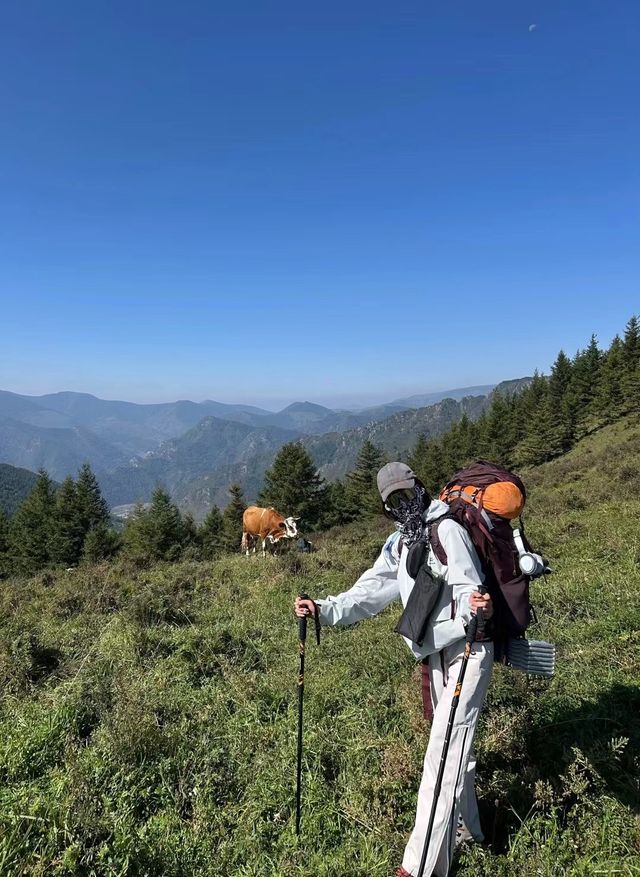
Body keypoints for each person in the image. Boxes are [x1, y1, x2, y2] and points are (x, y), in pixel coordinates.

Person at [294, 462, 494, 877]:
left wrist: (477, 609)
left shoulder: (447, 530)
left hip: (468, 652)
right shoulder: (400, 542)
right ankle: (472, 830)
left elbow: (471, 586)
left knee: (440, 756)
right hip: (435, 655)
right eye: (393, 501)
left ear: (420, 486)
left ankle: (419, 868)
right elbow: (369, 592)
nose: (403, 503)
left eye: (406, 493)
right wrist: (324, 610)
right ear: (386, 507)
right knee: (456, 751)